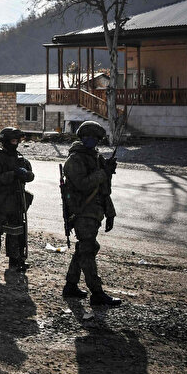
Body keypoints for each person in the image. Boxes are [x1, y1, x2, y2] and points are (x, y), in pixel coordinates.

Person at [62, 121, 123, 307]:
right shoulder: (75, 160)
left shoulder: (96, 158)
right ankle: (97, 293)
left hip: (95, 213)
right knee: (88, 250)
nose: (91, 140)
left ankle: (71, 285)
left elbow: (104, 191)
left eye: (95, 138)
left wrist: (110, 213)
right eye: (87, 137)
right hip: (81, 212)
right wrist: (103, 173)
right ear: (81, 138)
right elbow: (83, 184)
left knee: (85, 248)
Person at [0, 127, 35, 273]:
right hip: (1, 201)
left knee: (16, 231)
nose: (15, 143)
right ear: (5, 141)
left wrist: (26, 175)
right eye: (13, 141)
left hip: (16, 201)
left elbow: (31, 175)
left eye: (17, 141)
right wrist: (13, 174)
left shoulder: (20, 158)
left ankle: (15, 260)